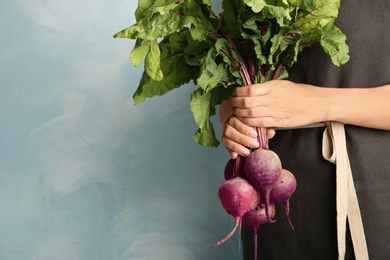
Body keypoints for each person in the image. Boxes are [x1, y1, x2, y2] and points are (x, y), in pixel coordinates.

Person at [218, 1, 390, 259]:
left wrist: (317, 103)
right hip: (272, 199)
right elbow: (229, 94)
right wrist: (237, 121)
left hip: (375, 195)